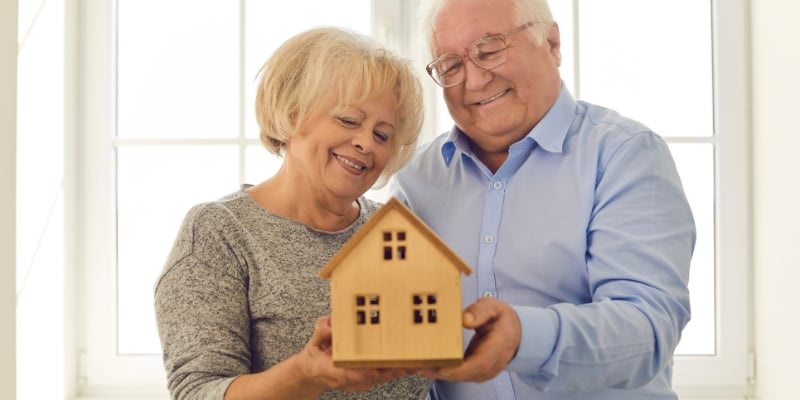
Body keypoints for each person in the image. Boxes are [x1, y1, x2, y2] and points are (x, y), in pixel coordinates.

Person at [390, 0, 696, 398]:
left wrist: (524, 338)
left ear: (551, 42)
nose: (475, 80)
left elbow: (647, 328)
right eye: (450, 65)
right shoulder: (416, 180)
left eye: (489, 49)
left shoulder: (624, 154)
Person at [154, 27, 432, 400]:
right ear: (292, 112)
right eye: (349, 120)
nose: (366, 143)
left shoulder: (396, 234)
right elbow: (198, 392)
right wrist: (305, 373)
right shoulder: (220, 232)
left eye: (382, 135)